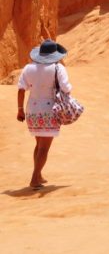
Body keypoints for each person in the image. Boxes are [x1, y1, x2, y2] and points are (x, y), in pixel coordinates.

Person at [17, 39, 73, 190]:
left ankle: (39, 174)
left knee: (38, 144)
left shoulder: (28, 68)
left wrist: (20, 110)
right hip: (49, 110)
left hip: (32, 111)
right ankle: (35, 178)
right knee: (44, 148)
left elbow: (21, 89)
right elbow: (66, 88)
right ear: (55, 55)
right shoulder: (57, 68)